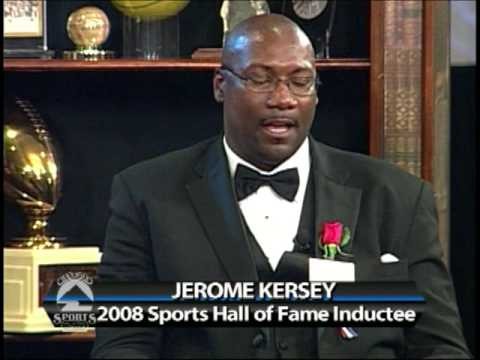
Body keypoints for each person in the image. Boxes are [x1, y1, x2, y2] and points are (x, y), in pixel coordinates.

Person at [91, 14, 471, 359]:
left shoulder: (398, 198)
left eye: (300, 81)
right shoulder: (144, 194)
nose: (283, 99)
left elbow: (439, 347)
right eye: (260, 79)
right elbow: (122, 344)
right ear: (221, 85)